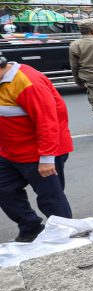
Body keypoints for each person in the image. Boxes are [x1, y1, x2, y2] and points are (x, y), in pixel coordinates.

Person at [0, 54, 74, 242]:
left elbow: (48, 122)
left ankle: (65, 236)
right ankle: (31, 226)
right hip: (9, 151)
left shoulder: (27, 83)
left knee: (50, 198)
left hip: (41, 152)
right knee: (5, 190)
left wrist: (47, 158)